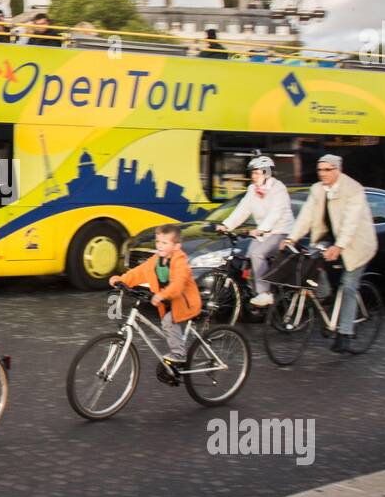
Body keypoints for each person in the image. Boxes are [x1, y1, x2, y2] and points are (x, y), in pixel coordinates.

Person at [283, 154, 378, 354]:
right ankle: (325, 293)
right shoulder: (317, 190)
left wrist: (339, 246)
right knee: (308, 261)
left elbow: (351, 223)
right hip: (329, 237)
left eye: (327, 170)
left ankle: (345, 333)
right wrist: (292, 238)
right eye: (320, 170)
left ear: (337, 170)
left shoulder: (353, 190)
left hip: (356, 243)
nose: (323, 174)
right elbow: (306, 216)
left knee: (348, 285)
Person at [109, 223, 201, 370]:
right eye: (158, 241)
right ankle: (176, 348)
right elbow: (139, 272)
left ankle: (179, 354)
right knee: (167, 325)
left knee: (168, 321)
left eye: (165, 243)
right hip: (168, 300)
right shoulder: (156, 260)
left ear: (176, 246)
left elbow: (178, 284)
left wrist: (162, 295)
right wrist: (121, 280)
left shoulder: (179, 261)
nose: (160, 245)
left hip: (185, 301)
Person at [216, 156, 294, 307]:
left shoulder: (279, 188)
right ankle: (251, 290)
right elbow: (242, 210)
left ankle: (265, 293)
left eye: (257, 173)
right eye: (252, 173)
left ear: (267, 173)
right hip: (264, 234)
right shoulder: (252, 190)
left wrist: (261, 229)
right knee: (244, 254)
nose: (253, 177)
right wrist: (226, 225)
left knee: (257, 253)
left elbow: (276, 213)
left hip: (281, 231)